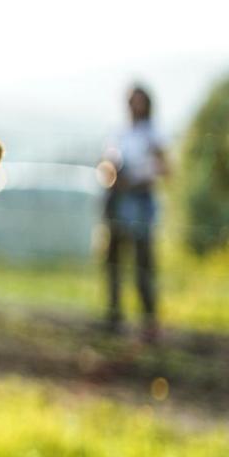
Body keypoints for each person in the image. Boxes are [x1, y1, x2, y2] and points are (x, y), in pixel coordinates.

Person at [99, 84, 167, 340]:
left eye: (140, 102)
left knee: (143, 263)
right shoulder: (118, 132)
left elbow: (163, 167)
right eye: (132, 101)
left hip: (140, 200)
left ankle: (149, 321)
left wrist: (138, 180)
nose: (136, 106)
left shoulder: (154, 134)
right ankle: (113, 316)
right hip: (117, 199)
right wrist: (113, 175)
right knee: (114, 260)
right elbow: (107, 163)